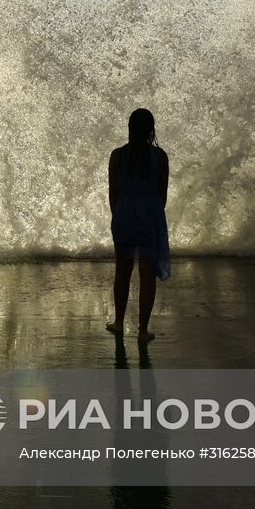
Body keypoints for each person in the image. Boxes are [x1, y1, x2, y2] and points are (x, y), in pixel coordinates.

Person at [105, 108, 171, 344]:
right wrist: (151, 213)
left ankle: (119, 323)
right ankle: (143, 331)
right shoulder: (160, 157)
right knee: (147, 274)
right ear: (151, 130)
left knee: (122, 270)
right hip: (150, 216)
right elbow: (162, 194)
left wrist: (118, 215)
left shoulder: (118, 156)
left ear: (130, 128)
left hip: (124, 215)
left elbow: (113, 192)